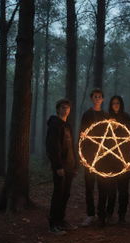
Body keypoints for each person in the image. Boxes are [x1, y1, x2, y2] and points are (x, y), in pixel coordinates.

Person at [46, 99, 78, 234]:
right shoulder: (54, 125)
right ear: (58, 109)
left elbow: (71, 146)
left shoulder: (67, 126)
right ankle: (53, 224)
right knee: (58, 194)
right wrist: (58, 166)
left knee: (66, 194)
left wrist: (75, 164)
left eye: (67, 108)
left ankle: (61, 220)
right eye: (63, 107)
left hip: (69, 166)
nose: (65, 110)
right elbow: (53, 147)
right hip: (61, 167)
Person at [79, 88, 108, 227]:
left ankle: (101, 215)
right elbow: (82, 135)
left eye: (99, 96)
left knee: (103, 186)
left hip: (103, 156)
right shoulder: (87, 114)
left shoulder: (106, 115)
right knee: (89, 187)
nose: (97, 98)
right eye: (95, 96)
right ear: (92, 98)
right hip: (89, 156)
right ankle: (90, 214)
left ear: (102, 99)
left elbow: (110, 136)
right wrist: (83, 156)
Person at [108, 95, 130, 224]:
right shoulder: (107, 119)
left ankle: (122, 216)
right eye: (113, 103)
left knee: (123, 191)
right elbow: (103, 138)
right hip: (111, 160)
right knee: (111, 190)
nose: (116, 105)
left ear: (121, 104)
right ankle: (109, 214)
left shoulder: (127, 118)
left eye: (118, 103)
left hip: (125, 160)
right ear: (111, 105)